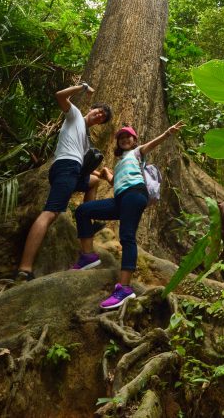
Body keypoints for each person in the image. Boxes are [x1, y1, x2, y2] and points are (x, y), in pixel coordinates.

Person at [72, 120, 185, 309]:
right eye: (121, 137)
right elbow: (113, 182)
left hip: (135, 194)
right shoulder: (119, 164)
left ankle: (124, 288)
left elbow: (151, 145)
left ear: (134, 141)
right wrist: (103, 173)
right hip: (120, 200)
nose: (124, 139)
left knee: (127, 237)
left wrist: (167, 133)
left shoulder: (136, 153)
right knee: (84, 210)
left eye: (128, 137)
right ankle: (88, 256)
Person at [14, 83, 112, 281]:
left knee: (92, 182)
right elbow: (59, 94)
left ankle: (88, 218)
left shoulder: (84, 138)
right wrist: (83, 87)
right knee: (50, 213)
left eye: (103, 117)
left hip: (73, 169)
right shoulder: (74, 114)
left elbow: (83, 161)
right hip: (66, 167)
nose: (99, 116)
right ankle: (24, 268)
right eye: (99, 111)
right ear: (91, 109)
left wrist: (100, 173)